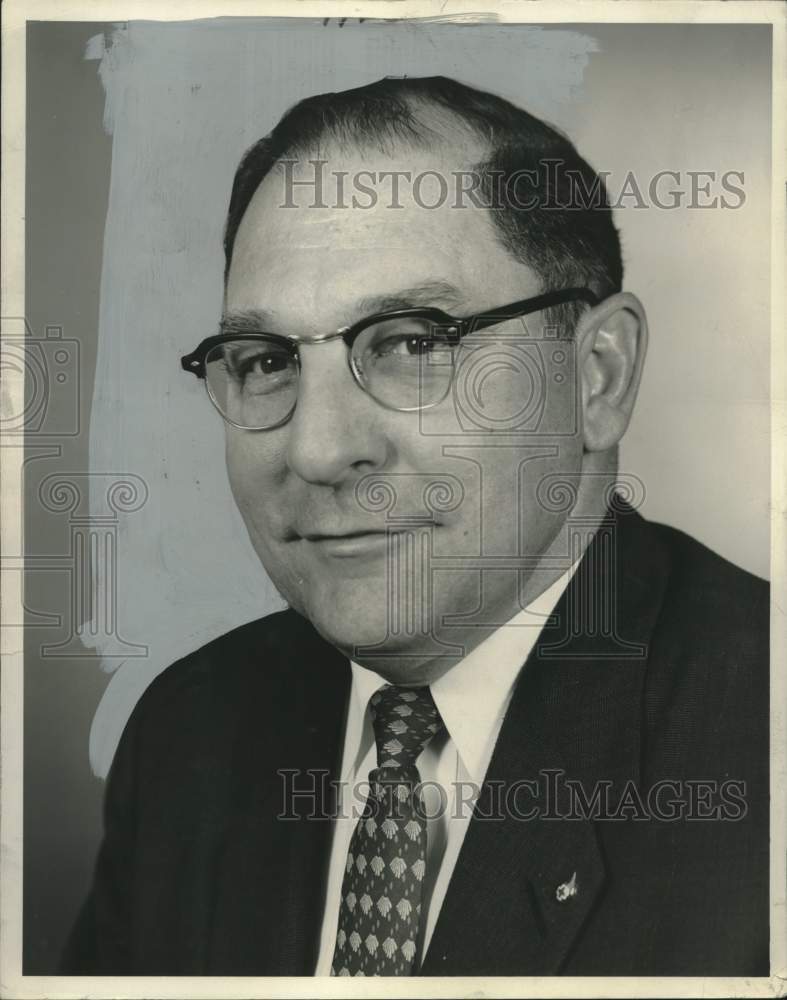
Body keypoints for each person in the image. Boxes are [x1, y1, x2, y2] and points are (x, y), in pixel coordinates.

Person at [62, 76, 769, 977]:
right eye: (269, 360)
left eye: (412, 342)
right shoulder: (190, 733)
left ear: (596, 374)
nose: (318, 450)